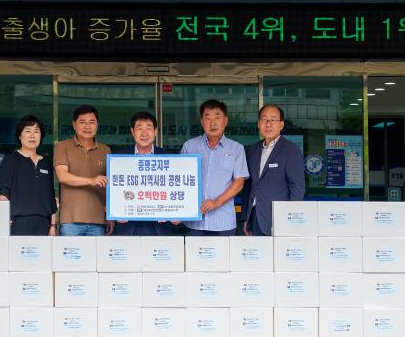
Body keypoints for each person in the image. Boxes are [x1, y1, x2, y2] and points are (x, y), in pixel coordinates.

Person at [181, 99, 249, 236]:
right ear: (201, 122)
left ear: (225, 121)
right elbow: (181, 181)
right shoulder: (190, 146)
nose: (212, 123)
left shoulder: (236, 149)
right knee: (193, 257)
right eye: (208, 118)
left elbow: (239, 183)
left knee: (223, 257)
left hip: (223, 222)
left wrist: (216, 202)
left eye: (217, 117)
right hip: (194, 220)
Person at [242, 104, 306, 236]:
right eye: (264, 119)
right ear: (259, 124)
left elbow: (297, 187)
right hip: (255, 217)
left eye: (273, 119)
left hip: (278, 218)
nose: (268, 124)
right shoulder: (253, 150)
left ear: (281, 125)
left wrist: (289, 219)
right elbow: (248, 187)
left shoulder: (291, 150)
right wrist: (245, 218)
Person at [53, 105, 112, 236]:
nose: (87, 126)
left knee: (97, 257)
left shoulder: (105, 150)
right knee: (70, 257)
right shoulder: (62, 147)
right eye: (82, 122)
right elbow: (63, 176)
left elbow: (109, 187)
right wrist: (91, 180)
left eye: (92, 122)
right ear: (74, 125)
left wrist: (109, 215)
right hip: (71, 221)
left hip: (98, 220)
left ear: (97, 125)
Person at [114, 111, 173, 236]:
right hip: (127, 227)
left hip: (159, 228)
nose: (144, 133)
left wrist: (177, 215)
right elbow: (112, 190)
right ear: (132, 131)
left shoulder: (168, 158)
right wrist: (114, 210)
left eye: (149, 128)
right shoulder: (119, 158)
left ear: (155, 131)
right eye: (139, 128)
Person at [0, 115, 58, 236]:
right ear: (20, 136)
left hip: (43, 222)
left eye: (36, 131)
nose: (32, 135)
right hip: (18, 222)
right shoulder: (11, 159)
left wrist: (53, 225)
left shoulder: (46, 162)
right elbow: (4, 193)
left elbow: (51, 196)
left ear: (41, 136)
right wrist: (6, 217)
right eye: (28, 131)